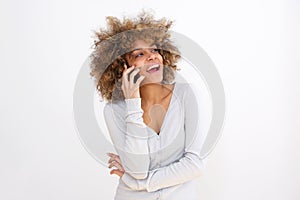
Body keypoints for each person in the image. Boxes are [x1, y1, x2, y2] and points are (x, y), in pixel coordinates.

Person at [89, 11, 208, 200]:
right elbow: (138, 170)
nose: (152, 56)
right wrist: (133, 104)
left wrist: (140, 184)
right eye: (139, 54)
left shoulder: (187, 95)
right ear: (123, 67)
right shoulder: (114, 111)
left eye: (154, 50)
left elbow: (194, 164)